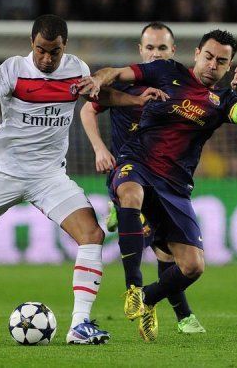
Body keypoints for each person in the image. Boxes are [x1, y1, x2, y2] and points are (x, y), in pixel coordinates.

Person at [0, 14, 163, 345]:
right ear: (31, 44)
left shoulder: (76, 68)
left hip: (50, 175)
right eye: (41, 51)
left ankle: (80, 325)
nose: (47, 59)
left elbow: (98, 98)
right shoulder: (13, 69)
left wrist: (135, 99)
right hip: (5, 173)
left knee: (92, 234)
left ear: (65, 47)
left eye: (55, 52)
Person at [78, 29, 237, 341]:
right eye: (209, 56)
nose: (213, 64)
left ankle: (147, 299)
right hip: (137, 162)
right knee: (129, 193)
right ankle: (133, 287)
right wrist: (98, 80)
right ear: (196, 53)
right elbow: (115, 73)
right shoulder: (166, 70)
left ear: (229, 66)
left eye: (221, 61)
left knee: (193, 266)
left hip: (175, 186)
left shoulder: (223, 101)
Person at [80, 22, 205, 334]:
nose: (155, 53)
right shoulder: (127, 84)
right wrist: (98, 149)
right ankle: (149, 297)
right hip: (128, 172)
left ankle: (170, 310)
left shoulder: (178, 85)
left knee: (166, 252)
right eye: (150, 47)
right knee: (133, 201)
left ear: (173, 53)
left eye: (162, 48)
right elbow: (87, 110)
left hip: (162, 179)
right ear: (140, 50)